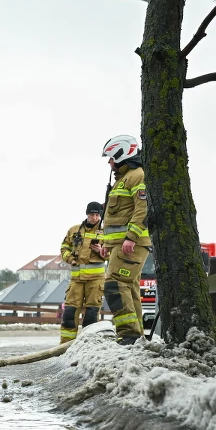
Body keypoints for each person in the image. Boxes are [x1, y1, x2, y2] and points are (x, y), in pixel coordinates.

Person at [96, 135, 150, 345]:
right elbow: (115, 217)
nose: (109, 163)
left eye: (111, 158)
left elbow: (143, 209)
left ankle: (128, 336)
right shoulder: (123, 180)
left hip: (132, 244)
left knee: (115, 285)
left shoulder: (138, 176)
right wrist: (106, 243)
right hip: (121, 246)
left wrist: (131, 237)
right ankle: (137, 338)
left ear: (122, 154)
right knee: (129, 289)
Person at [58, 201, 106, 343]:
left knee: (91, 315)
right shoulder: (74, 230)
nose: (94, 218)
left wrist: (102, 251)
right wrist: (70, 259)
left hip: (95, 281)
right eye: (92, 215)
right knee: (69, 313)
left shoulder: (106, 232)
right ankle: (65, 346)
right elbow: (64, 248)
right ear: (87, 214)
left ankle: (88, 345)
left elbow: (114, 254)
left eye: (97, 215)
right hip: (76, 280)